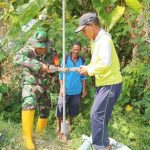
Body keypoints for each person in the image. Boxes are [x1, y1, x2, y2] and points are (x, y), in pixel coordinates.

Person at [75, 13, 122, 150]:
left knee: (97, 115)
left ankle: (101, 146)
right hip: (103, 83)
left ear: (92, 25)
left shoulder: (104, 40)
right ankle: (104, 144)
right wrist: (87, 67)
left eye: (84, 29)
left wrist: (89, 71)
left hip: (111, 83)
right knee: (100, 117)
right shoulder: (95, 40)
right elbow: (97, 62)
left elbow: (105, 63)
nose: (83, 33)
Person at [14, 30, 59, 150]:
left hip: (45, 85)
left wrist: (53, 71)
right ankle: (27, 137)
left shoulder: (52, 52)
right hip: (31, 83)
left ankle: (40, 134)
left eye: (44, 48)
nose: (42, 50)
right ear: (34, 44)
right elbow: (17, 58)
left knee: (46, 109)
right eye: (39, 48)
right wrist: (39, 65)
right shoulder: (27, 50)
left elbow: (56, 64)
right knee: (29, 103)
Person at [56, 41, 87, 135]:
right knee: (60, 108)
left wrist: (84, 89)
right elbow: (61, 74)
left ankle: (70, 125)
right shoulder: (65, 59)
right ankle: (59, 126)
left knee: (73, 109)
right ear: (71, 49)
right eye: (74, 49)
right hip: (65, 89)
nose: (76, 51)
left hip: (77, 90)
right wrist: (61, 87)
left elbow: (83, 76)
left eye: (78, 50)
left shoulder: (82, 60)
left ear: (80, 50)